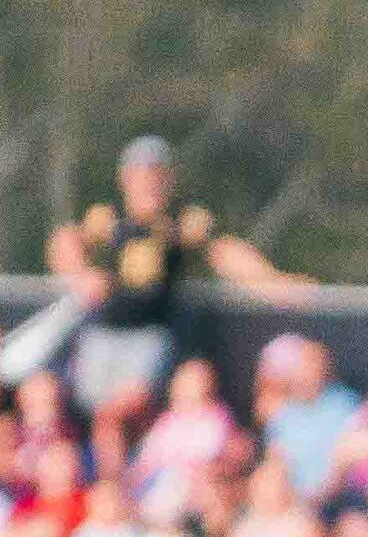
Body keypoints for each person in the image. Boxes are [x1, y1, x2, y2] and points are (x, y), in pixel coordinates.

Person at [44, 134, 289, 417]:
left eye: (157, 174)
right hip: (105, 331)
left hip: (153, 334)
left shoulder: (182, 221)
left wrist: (271, 282)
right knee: (90, 409)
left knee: (126, 408)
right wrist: (80, 274)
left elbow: (224, 252)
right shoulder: (107, 218)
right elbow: (65, 239)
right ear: (125, 178)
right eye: (141, 174)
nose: (149, 182)